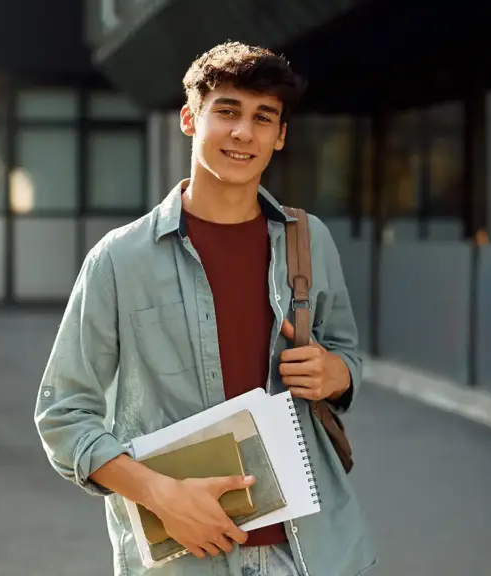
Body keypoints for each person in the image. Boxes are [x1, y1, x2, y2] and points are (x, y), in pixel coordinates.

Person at [34, 42, 376, 575]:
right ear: (190, 119)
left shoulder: (310, 242)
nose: (244, 132)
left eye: (264, 118)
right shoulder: (118, 260)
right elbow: (64, 415)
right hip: (186, 556)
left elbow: (346, 357)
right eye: (228, 111)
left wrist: (335, 373)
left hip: (309, 552)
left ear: (280, 135)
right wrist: (160, 494)